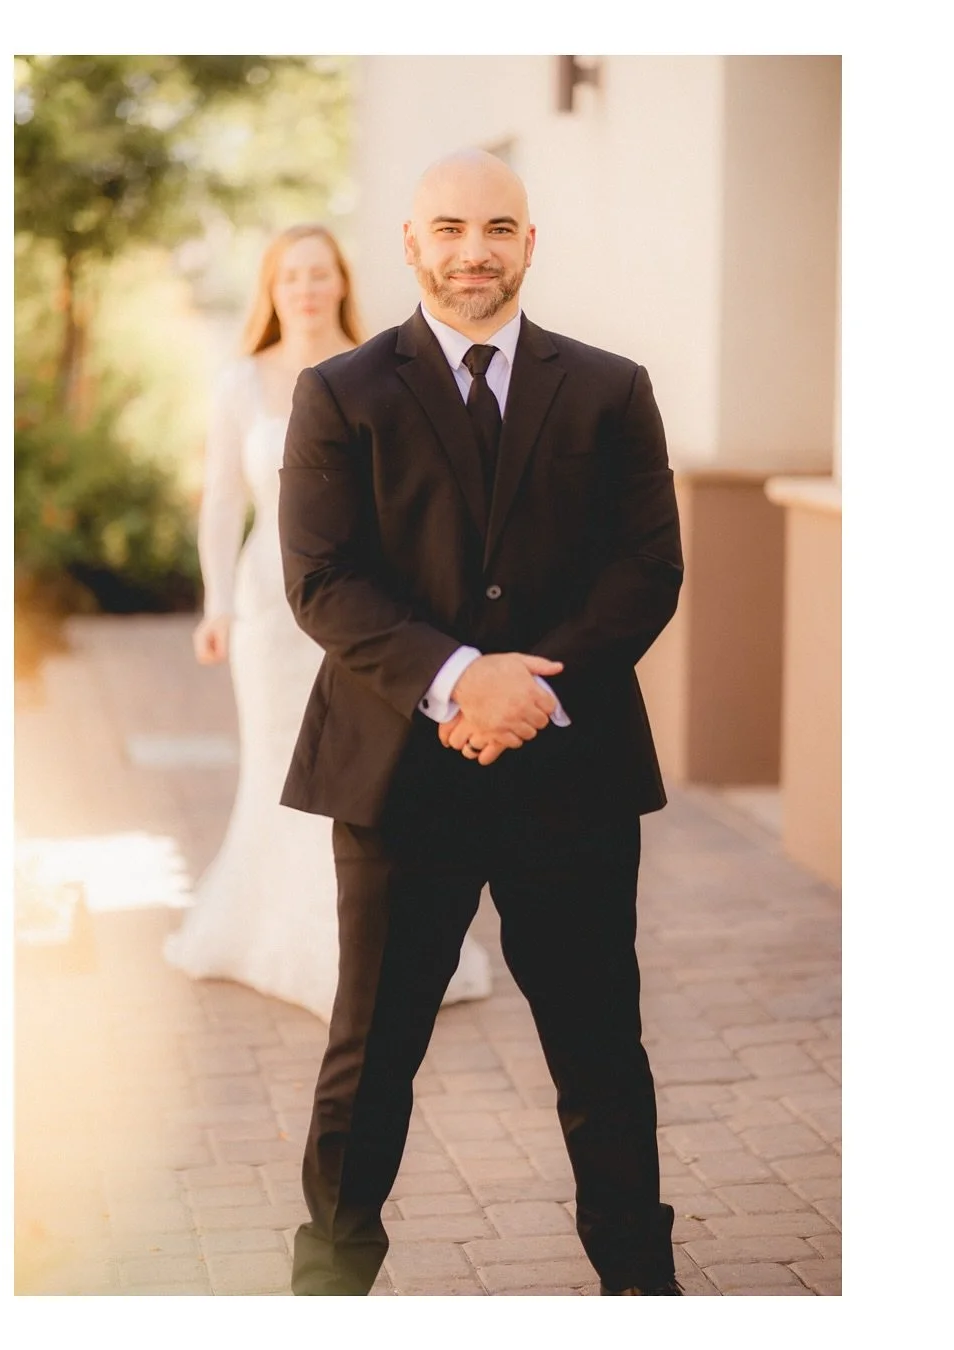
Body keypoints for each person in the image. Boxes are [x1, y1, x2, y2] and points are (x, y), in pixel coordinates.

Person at [277, 152, 686, 1296]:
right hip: (400, 777)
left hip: (573, 771)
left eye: (498, 228)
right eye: (450, 228)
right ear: (411, 244)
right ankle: (327, 1292)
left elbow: (647, 568)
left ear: (529, 243)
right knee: (371, 1055)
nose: (474, 251)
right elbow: (322, 580)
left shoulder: (610, 388)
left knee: (602, 1050)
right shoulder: (342, 393)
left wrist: (527, 692)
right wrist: (461, 680)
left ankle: (642, 1288)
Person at [163, 223, 493, 1020]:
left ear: (342, 281)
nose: (306, 289)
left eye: (319, 273)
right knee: (276, 766)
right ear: (272, 293)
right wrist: (217, 604)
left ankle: (377, 939)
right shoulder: (240, 383)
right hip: (267, 610)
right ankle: (280, 935)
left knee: (366, 766)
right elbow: (221, 504)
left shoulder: (380, 367)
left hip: (362, 605)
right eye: (291, 277)